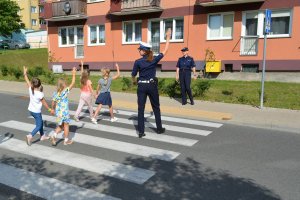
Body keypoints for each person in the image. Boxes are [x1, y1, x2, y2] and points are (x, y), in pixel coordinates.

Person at [131, 28, 172, 138]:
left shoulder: (137, 62)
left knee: (140, 109)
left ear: (144, 51)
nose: (139, 51)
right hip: (152, 86)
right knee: (156, 107)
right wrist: (168, 37)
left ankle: (141, 132)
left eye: (140, 49)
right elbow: (165, 50)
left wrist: (135, 82)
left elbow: (133, 75)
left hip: (141, 87)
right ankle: (159, 129)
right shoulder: (153, 59)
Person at [23, 66, 53, 146]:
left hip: (31, 110)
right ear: (40, 85)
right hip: (36, 112)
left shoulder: (30, 89)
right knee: (39, 125)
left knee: (40, 122)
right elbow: (44, 103)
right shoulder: (40, 94)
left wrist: (25, 73)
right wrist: (50, 109)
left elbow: (27, 80)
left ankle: (42, 136)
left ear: (33, 84)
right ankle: (30, 135)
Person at [50, 67, 76, 146]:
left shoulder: (55, 93)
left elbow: (53, 102)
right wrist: (74, 74)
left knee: (60, 126)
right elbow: (73, 83)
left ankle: (54, 135)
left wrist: (52, 109)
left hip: (58, 113)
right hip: (65, 113)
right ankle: (66, 140)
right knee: (66, 126)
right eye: (65, 83)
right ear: (63, 85)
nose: (66, 84)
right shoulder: (65, 92)